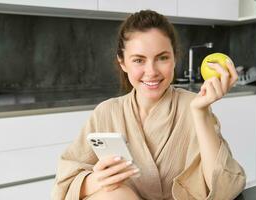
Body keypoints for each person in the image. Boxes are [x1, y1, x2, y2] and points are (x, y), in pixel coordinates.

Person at [52, 10, 246, 200]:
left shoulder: (193, 105)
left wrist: (201, 113)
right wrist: (96, 180)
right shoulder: (107, 112)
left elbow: (225, 189)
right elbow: (65, 180)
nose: (151, 71)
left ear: (174, 58)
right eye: (138, 60)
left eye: (162, 58)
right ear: (123, 63)